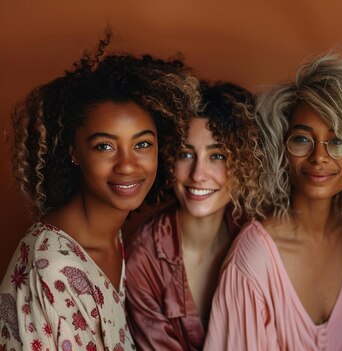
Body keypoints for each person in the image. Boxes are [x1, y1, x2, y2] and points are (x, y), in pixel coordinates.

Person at [0, 34, 199, 350]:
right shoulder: (53, 269)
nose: (128, 165)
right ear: (74, 152)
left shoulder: (112, 235)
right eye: (105, 146)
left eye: (142, 144)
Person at [205, 53, 342, 350]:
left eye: (338, 141)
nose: (319, 156)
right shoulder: (252, 262)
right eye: (302, 139)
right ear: (283, 147)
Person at [125, 81, 262, 350]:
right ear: (168, 159)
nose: (198, 174)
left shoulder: (259, 236)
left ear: (244, 161)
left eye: (217, 156)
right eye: (186, 154)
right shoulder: (143, 261)